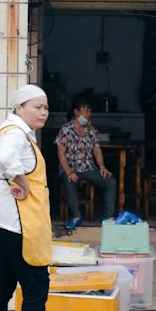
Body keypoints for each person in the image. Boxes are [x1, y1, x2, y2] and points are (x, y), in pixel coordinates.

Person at [0, 83, 74, 311]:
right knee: (35, 287)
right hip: (16, 224)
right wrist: (21, 182)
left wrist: (10, 179)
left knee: (0, 288)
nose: (44, 113)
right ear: (19, 107)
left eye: (46, 108)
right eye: (37, 107)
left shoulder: (4, 131)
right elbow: (6, 162)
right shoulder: (15, 135)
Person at [55, 95, 117, 231]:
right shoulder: (65, 130)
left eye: (90, 111)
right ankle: (76, 216)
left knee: (110, 181)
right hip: (70, 168)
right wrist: (69, 172)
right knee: (69, 181)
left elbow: (97, 150)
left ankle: (108, 218)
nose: (89, 114)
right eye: (85, 110)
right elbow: (61, 153)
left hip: (88, 168)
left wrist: (102, 167)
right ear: (77, 112)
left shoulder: (91, 130)